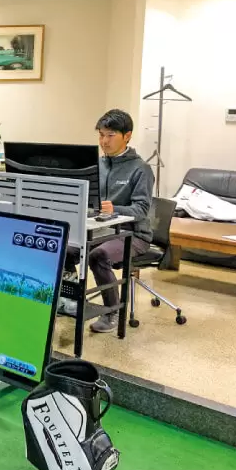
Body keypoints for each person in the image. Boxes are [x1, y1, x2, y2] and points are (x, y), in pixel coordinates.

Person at [87, 109, 154, 333]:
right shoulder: (97, 165)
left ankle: (112, 311)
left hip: (133, 234)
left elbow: (141, 209)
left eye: (110, 135)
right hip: (102, 228)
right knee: (64, 248)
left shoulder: (141, 169)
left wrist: (115, 209)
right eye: (101, 135)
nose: (104, 141)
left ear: (127, 136)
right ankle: (68, 300)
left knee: (98, 256)